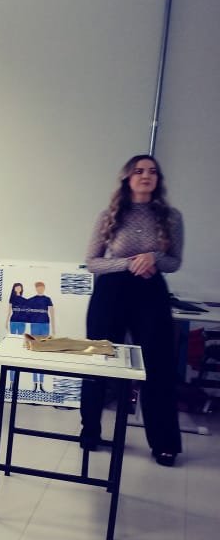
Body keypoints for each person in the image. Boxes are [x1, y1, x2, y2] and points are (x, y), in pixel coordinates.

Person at [80, 154, 183, 467]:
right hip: (111, 291)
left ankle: (164, 443)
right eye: (138, 171)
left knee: (157, 366)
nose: (145, 176)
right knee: (99, 360)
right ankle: (90, 430)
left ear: (158, 179)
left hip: (150, 292)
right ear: (127, 178)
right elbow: (92, 263)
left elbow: (174, 262)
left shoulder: (171, 217)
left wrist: (153, 258)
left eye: (152, 171)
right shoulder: (109, 215)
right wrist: (128, 263)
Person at [26, 281, 55, 392]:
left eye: (41, 287)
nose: (40, 289)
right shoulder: (32, 300)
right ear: (36, 288)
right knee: (34, 353)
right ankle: (34, 383)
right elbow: (26, 311)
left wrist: (54, 328)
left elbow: (52, 313)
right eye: (38, 287)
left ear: (44, 288)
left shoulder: (47, 299)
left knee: (43, 354)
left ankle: (41, 383)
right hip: (35, 326)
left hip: (45, 326)